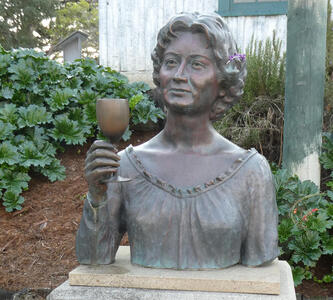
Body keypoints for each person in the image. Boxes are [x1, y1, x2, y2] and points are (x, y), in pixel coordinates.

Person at [76, 12, 279, 269]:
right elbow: (94, 258)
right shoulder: (126, 166)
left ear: (223, 83)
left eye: (197, 65)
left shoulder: (251, 172)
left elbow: (259, 268)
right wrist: (97, 195)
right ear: (160, 74)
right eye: (171, 62)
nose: (179, 75)